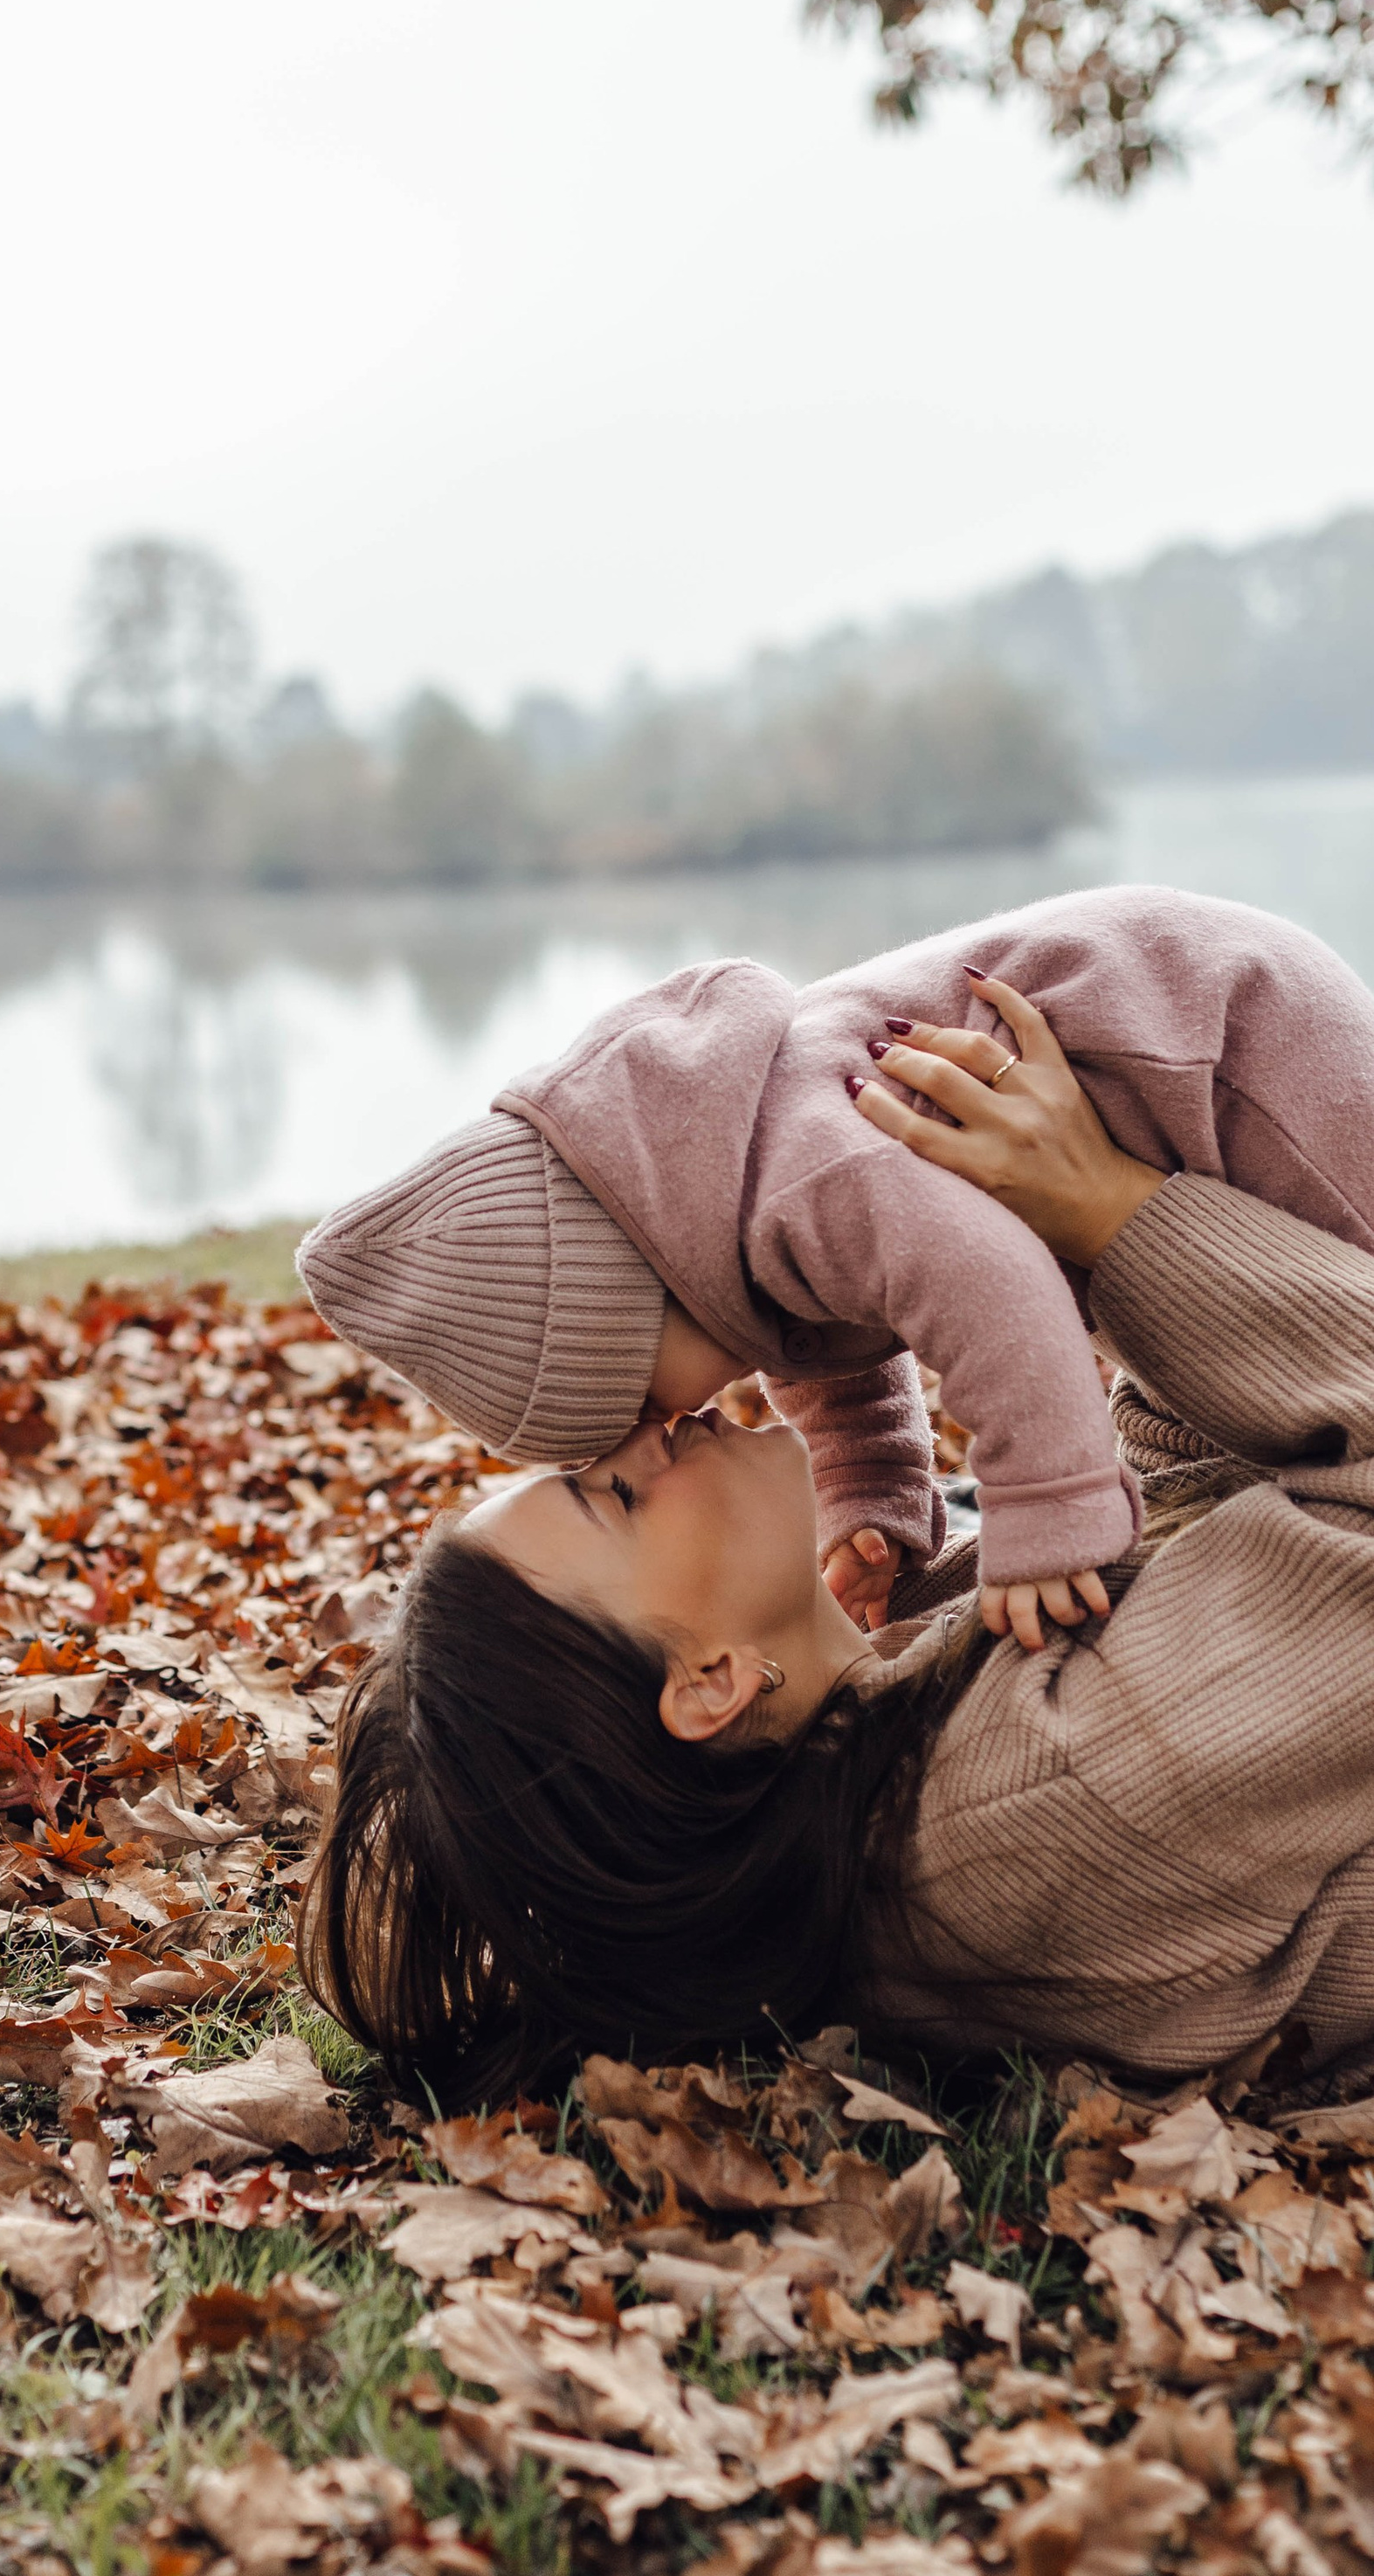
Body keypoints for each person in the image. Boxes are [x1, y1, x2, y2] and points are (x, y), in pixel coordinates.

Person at [299, 981, 1374, 2107]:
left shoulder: (901, 1740)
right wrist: (1109, 1211)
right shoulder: (1037, 1793)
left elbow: (1212, 1493)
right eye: (616, 1499)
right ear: (711, 1681)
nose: (659, 1430)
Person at [295, 883, 1374, 1651]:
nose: (669, 1433)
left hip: (1232, 1045)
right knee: (1267, 1358)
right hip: (1179, 1079)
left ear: (629, 1310)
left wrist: (1050, 1510)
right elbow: (825, 1348)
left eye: (636, 1408)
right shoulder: (722, 1212)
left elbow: (993, 1289)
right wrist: (870, 1484)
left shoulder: (796, 1180)